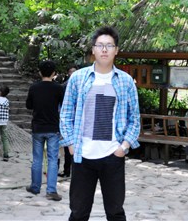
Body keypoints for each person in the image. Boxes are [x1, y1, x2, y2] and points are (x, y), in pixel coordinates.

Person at [60, 26, 141, 221]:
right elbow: (66, 113)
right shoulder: (78, 78)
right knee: (78, 213)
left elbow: (134, 118)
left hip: (113, 155)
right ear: (93, 49)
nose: (104, 49)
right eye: (100, 45)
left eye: (109, 46)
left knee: (115, 213)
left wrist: (124, 146)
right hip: (82, 155)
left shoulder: (126, 81)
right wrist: (70, 143)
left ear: (116, 50)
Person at [25, 60, 65, 200]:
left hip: (38, 127)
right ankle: (51, 191)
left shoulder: (34, 87)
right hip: (53, 127)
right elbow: (63, 105)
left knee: (37, 159)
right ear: (54, 73)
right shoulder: (59, 88)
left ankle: (35, 187)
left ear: (39, 72)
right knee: (53, 159)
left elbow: (29, 105)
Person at [59, 65, 77, 178]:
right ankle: (68, 171)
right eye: (71, 72)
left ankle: (69, 171)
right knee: (68, 146)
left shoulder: (64, 86)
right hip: (69, 119)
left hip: (78, 119)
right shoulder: (64, 86)